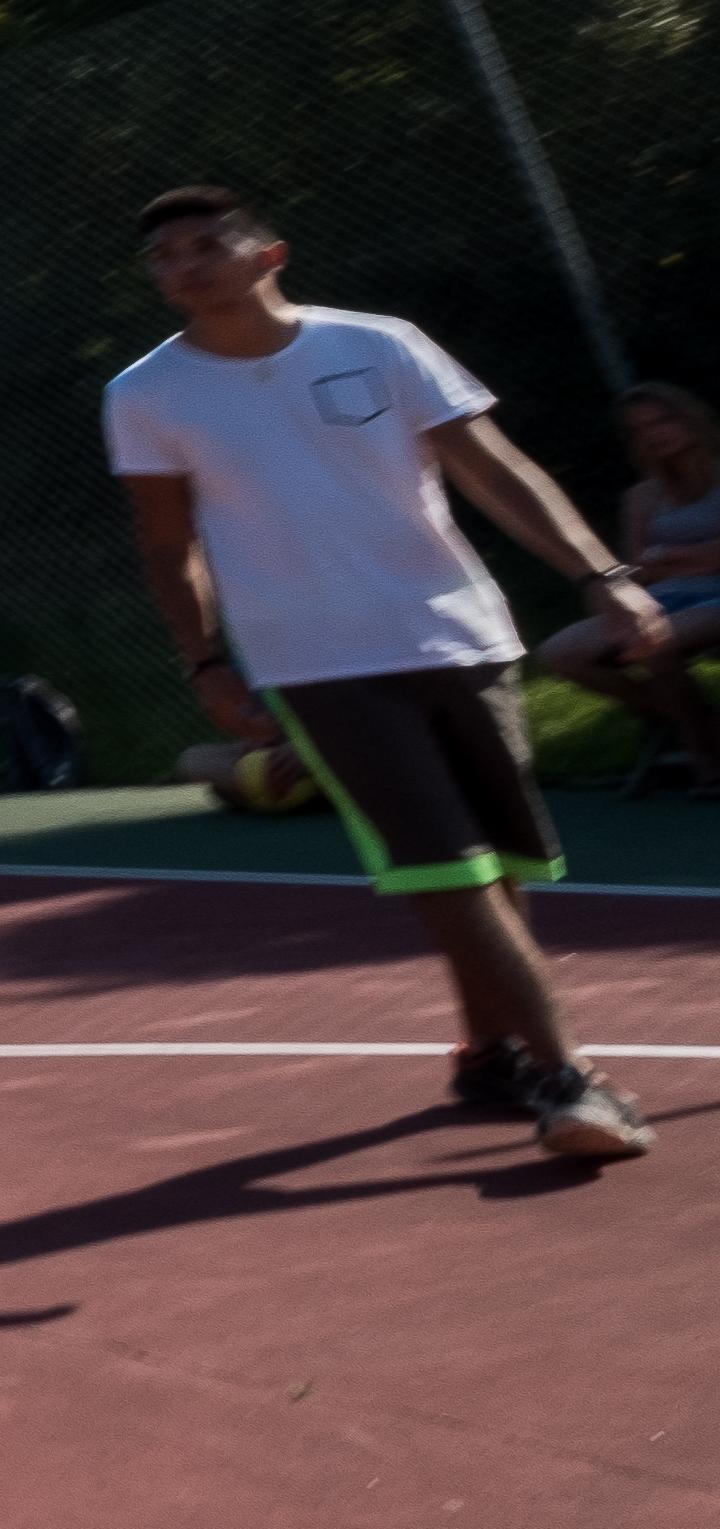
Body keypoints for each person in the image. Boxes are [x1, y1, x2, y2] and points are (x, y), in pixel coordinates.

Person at [105, 184, 659, 1164]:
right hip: (320, 664)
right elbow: (166, 542)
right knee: (446, 868)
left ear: (268, 252)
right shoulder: (145, 394)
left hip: (461, 635)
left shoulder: (380, 342)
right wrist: (204, 658)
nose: (184, 265)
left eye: (206, 243)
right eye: (165, 257)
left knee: (505, 860)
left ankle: (490, 1052)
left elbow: (496, 469)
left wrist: (602, 575)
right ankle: (572, 1078)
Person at [533, 379, 720, 795]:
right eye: (640, 428)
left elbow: (654, 561)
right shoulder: (643, 496)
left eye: (663, 419)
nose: (654, 433)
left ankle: (707, 763)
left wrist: (671, 559)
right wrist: (691, 559)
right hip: (665, 600)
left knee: (656, 643)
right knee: (560, 654)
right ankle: (701, 724)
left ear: (691, 418)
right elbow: (635, 569)